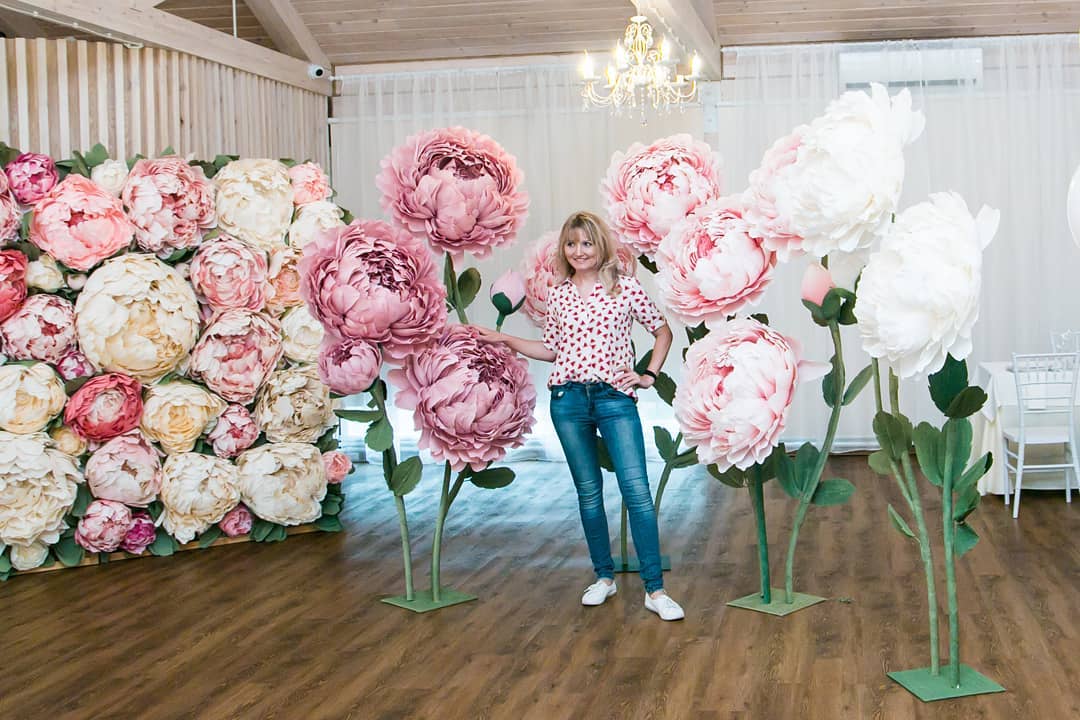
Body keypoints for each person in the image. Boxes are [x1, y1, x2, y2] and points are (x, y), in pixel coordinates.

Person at [474, 211, 683, 621]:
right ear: (564, 250)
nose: (579, 251)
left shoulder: (626, 289)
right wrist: (505, 339)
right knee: (588, 492)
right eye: (571, 244)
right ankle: (603, 578)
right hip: (568, 400)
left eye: (586, 243)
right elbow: (552, 349)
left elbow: (662, 331)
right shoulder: (559, 293)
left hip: (614, 399)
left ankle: (655, 590)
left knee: (636, 492)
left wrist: (648, 374)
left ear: (600, 246)